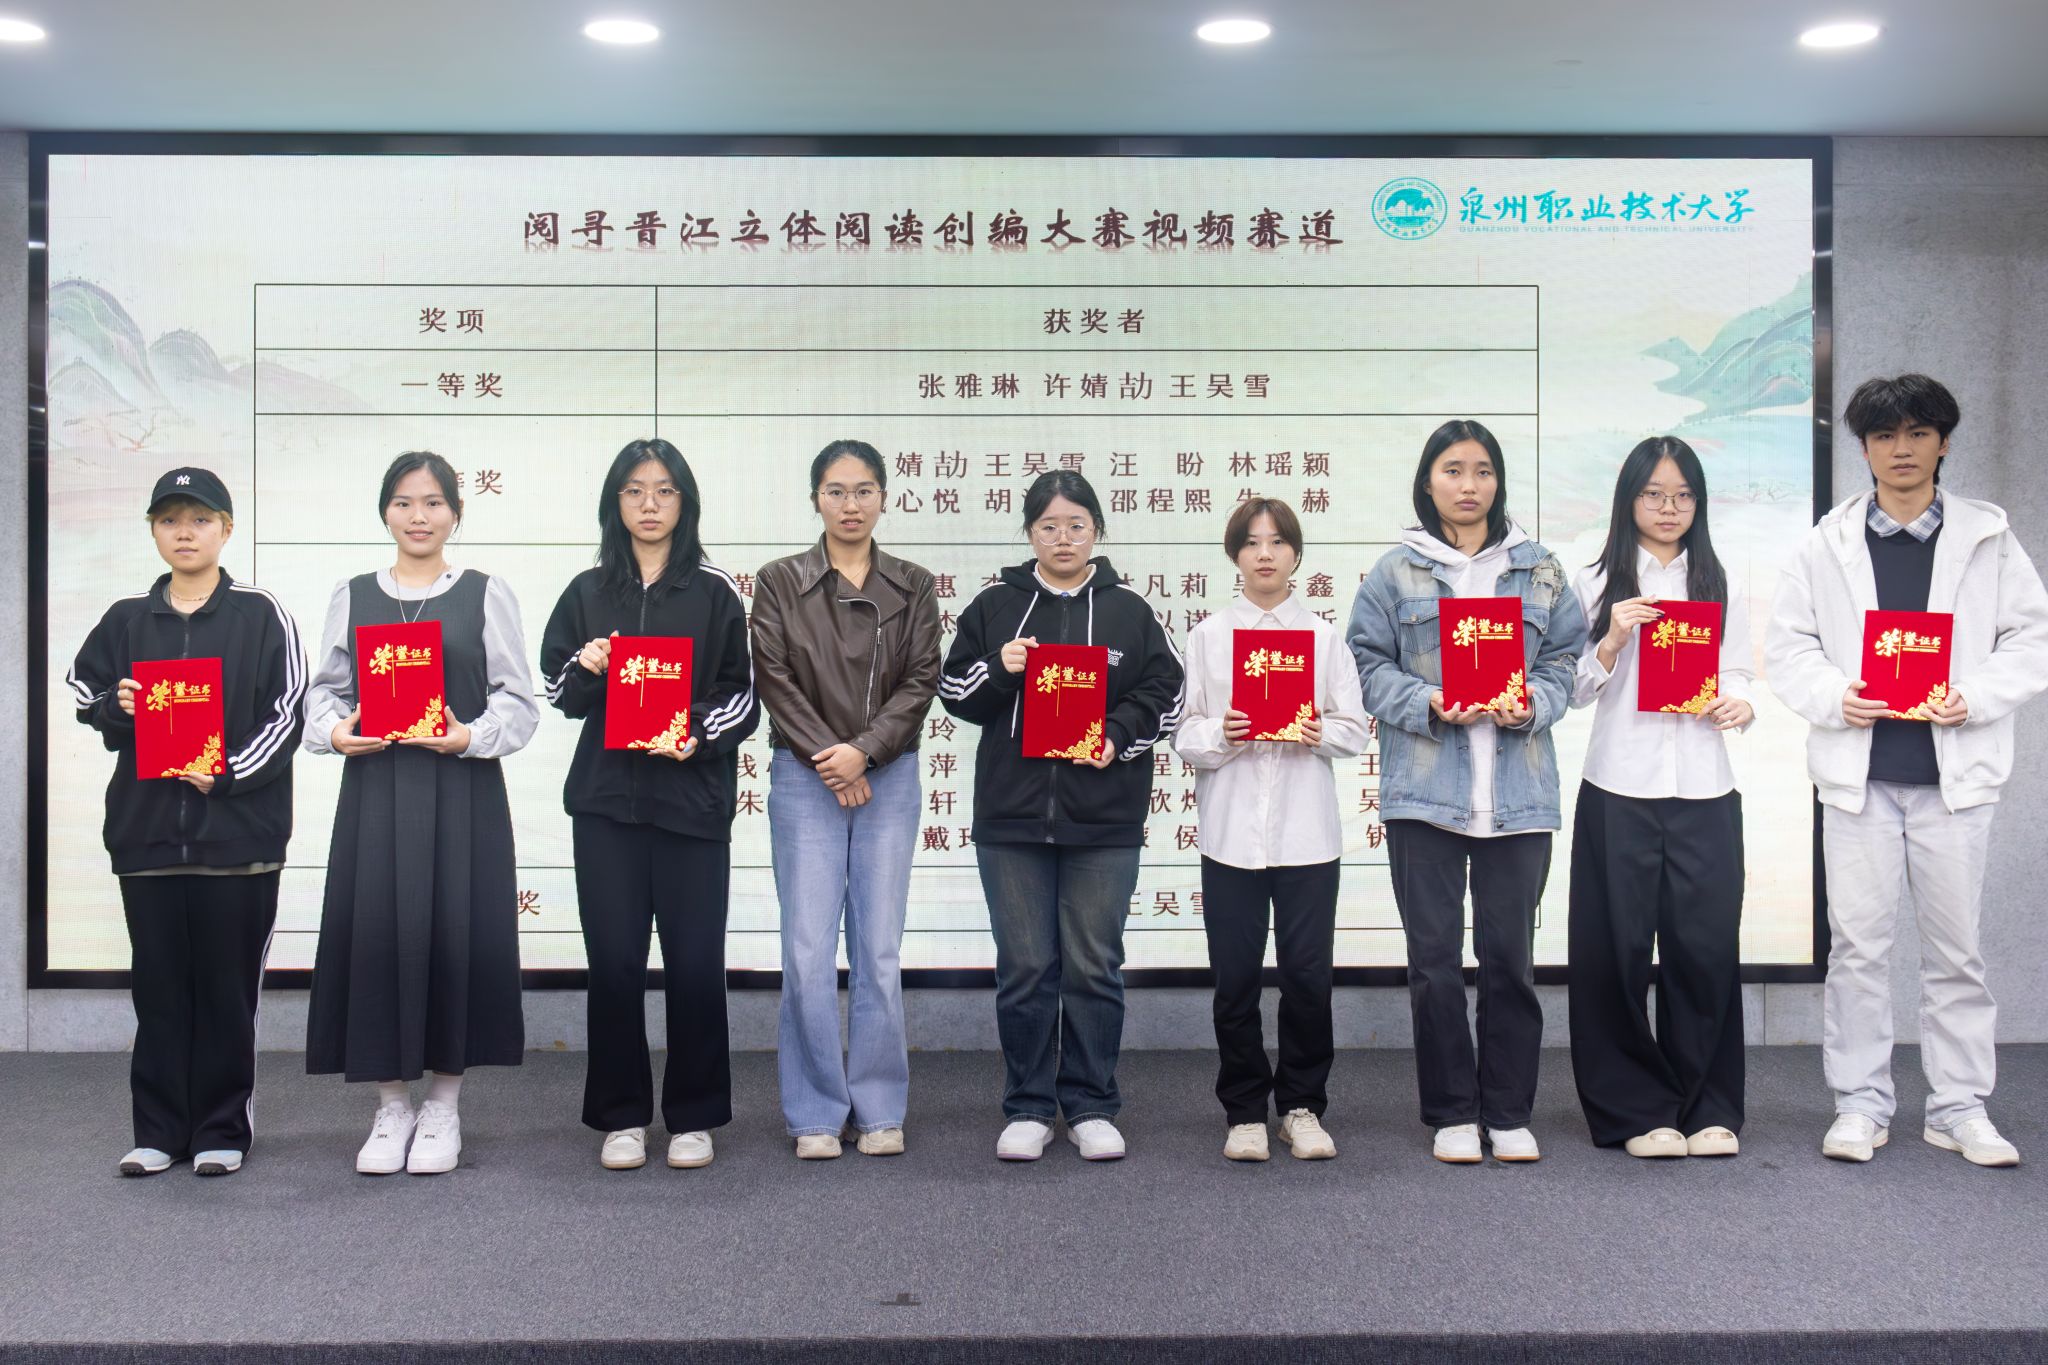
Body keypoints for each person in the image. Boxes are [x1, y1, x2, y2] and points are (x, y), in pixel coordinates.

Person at [1765, 374, 2048, 1167]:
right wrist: (1836, 694)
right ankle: (1860, 1102)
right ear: (1864, 448)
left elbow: (2032, 639)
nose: (1901, 449)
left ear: (1943, 443)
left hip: (1954, 782)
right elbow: (1789, 647)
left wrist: (1973, 696)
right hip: (1859, 780)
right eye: (1885, 436)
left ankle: (1959, 1107)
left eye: (1918, 433)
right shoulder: (1824, 543)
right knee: (1858, 950)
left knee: (1957, 953)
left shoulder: (1990, 537)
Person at [1347, 419, 1586, 1165]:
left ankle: (1509, 1110)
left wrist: (1533, 703)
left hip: (1519, 796)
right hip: (1425, 795)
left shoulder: (1540, 569)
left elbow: (1565, 659)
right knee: (1434, 961)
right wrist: (1428, 700)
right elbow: (1366, 665)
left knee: (1511, 959)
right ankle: (1452, 1110)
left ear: (1498, 481)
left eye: (1482, 470)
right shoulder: (1394, 572)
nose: (1469, 484)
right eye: (1452, 470)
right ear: (1428, 481)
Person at [303, 450, 539, 1176]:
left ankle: (443, 1104)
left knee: (455, 934)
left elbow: (518, 700)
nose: (418, 516)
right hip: (376, 790)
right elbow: (324, 693)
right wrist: (336, 731)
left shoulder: (485, 593)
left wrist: (470, 735)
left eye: (434, 502)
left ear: (455, 515)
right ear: (385, 512)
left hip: (461, 792)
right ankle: (390, 1105)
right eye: (404, 502)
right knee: (377, 933)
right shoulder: (352, 594)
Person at [939, 471, 1185, 1162]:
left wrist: (1116, 736)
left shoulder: (1130, 609)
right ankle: (1026, 1105)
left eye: (1076, 524)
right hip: (1012, 820)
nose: (1064, 538)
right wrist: (1001, 666)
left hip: (1103, 820)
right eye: (1049, 526)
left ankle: (1091, 1104)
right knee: (1025, 967)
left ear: (1096, 530)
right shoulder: (996, 605)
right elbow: (952, 689)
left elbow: (1168, 694)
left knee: (1094, 965)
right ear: (1029, 534)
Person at [68, 467, 305, 1178]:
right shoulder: (125, 619)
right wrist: (118, 705)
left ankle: (222, 1129)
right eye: (170, 519)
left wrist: (226, 772)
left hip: (239, 841)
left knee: (227, 994)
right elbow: (84, 691)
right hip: (145, 838)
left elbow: (287, 712)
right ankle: (159, 1132)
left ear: (226, 529)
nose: (184, 532)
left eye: (200, 519)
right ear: (153, 531)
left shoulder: (261, 613)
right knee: (159, 992)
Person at [539, 438, 759, 1172]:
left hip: (691, 805)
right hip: (606, 806)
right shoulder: (587, 589)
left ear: (685, 503)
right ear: (616, 503)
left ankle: (694, 1115)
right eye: (634, 490)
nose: (650, 504)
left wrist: (695, 733)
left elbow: (743, 696)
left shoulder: (714, 591)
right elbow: (559, 690)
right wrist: (588, 664)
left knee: (695, 965)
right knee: (613, 965)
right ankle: (622, 1116)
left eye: (665, 490)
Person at [1566, 437, 1754, 1159]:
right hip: (1621, 785)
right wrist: (1612, 639)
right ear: (1629, 500)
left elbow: (1737, 671)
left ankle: (1707, 1105)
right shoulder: (1594, 580)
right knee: (1613, 951)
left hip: (1705, 785)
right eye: (1653, 494)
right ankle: (1635, 1109)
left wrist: (1739, 703)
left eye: (1682, 495)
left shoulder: (1716, 579)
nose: (1669, 508)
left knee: (1704, 949)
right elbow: (1572, 689)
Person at [752, 440, 940, 1160]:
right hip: (807, 775)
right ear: (816, 500)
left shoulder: (914, 584)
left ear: (885, 497)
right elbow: (772, 675)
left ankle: (881, 1108)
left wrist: (866, 752)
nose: (850, 504)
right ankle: (814, 1114)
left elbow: (921, 678)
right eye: (836, 491)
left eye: (864, 490)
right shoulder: (779, 581)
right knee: (806, 950)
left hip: (886, 775)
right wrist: (834, 758)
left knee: (878, 949)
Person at [1174, 498, 1369, 1162]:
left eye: (1278, 541)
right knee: (1234, 979)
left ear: (1296, 554)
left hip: (1307, 836)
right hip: (1230, 835)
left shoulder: (1323, 637)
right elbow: (1184, 732)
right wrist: (1222, 732)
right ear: (1235, 554)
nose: (1265, 553)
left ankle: (1301, 1106)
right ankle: (1243, 1111)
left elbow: (1354, 728)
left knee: (1308, 977)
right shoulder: (1208, 636)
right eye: (1252, 542)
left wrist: (1317, 729)